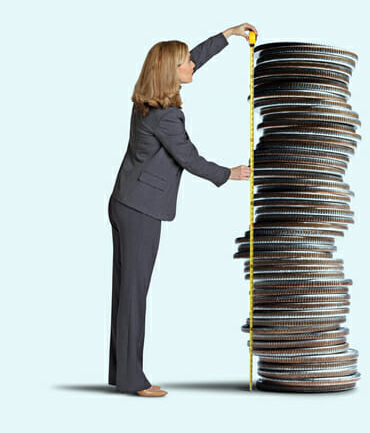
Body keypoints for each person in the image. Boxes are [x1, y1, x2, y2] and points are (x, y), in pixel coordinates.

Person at [107, 23, 258, 397]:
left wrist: (228, 35)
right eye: (185, 62)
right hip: (141, 209)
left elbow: (194, 62)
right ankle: (131, 379)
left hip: (125, 201)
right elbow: (189, 158)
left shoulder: (148, 99)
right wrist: (231, 173)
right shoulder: (166, 116)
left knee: (126, 292)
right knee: (134, 295)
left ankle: (120, 371)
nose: (192, 64)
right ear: (170, 72)